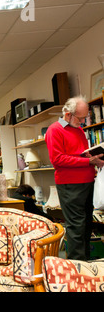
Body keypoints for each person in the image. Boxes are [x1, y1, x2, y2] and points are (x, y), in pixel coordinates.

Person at [45, 96, 104, 260]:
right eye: (81, 118)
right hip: (70, 185)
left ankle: (84, 262)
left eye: (85, 117)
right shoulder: (54, 130)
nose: (83, 121)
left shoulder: (77, 129)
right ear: (68, 114)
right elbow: (57, 160)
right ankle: (76, 267)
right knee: (76, 226)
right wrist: (88, 160)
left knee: (86, 225)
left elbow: (81, 154)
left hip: (87, 181)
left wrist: (95, 158)